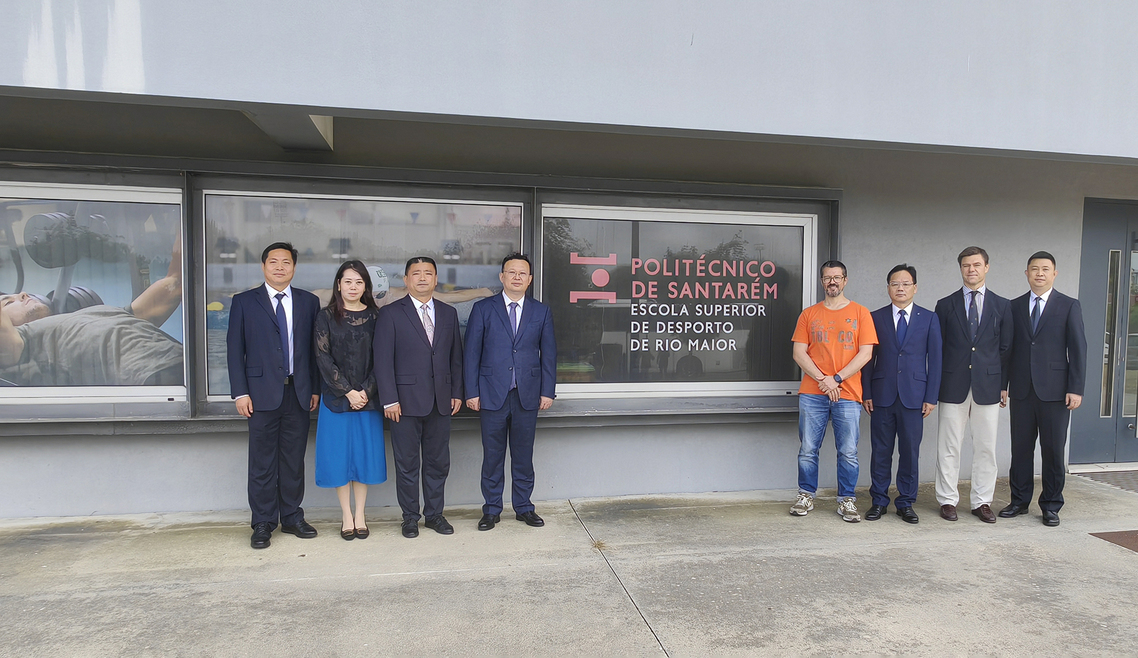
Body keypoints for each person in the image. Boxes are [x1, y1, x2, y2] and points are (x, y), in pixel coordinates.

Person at [226, 242, 321, 549]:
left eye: (286, 262)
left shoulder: (309, 302)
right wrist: (240, 393)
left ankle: (292, 516)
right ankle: (263, 522)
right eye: (274, 262)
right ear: (263, 266)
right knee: (262, 462)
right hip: (259, 395)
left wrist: (315, 388)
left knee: (293, 460)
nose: (280, 267)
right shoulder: (244, 302)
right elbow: (234, 351)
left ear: (294, 267)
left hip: (299, 393)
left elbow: (315, 351)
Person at [0, 234, 184, 386]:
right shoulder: (19, 349)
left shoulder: (93, 315)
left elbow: (175, 283)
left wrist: (187, 226)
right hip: (157, 380)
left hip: (188, 368)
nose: (22, 294)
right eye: (7, 303)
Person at [464, 253, 556, 531]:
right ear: (502, 277)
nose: (517, 277)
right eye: (511, 272)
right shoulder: (483, 309)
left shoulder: (541, 311)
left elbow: (549, 354)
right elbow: (471, 354)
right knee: (492, 456)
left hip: (527, 395)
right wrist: (471, 391)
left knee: (523, 456)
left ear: (529, 280)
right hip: (491, 394)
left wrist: (547, 391)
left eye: (522, 273)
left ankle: (524, 507)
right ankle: (491, 509)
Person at [373, 256, 463, 538]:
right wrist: (389, 399)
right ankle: (410, 517)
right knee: (407, 464)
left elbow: (456, 358)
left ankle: (434, 515)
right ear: (406, 280)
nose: (422, 278)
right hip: (404, 403)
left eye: (428, 273)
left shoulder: (448, 313)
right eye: (416, 273)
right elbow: (382, 361)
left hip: (441, 401)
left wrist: (456, 392)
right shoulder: (390, 313)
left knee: (438, 463)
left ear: (436, 279)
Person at [1001, 251, 1086, 527]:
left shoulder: (1069, 305)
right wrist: (1003, 385)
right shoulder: (1014, 306)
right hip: (1022, 390)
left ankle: (1051, 504)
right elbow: (1007, 349)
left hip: (1056, 392)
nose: (1039, 273)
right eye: (1034, 269)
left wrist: (1075, 388)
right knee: (1021, 449)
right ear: (1026, 273)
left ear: (1054, 274)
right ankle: (1019, 501)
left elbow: (1078, 349)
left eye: (1045, 269)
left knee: (1053, 450)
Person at [790, 260, 877, 522]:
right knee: (808, 449)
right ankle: (805, 495)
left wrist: (837, 379)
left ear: (845, 280)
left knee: (848, 451)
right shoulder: (808, 314)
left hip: (848, 393)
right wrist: (823, 380)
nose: (832, 282)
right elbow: (798, 353)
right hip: (813, 393)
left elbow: (866, 354)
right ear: (822, 282)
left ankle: (847, 500)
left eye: (837, 277)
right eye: (828, 278)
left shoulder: (861, 313)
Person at [933, 246, 1012, 523]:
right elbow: (938, 348)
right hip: (952, 383)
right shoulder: (945, 305)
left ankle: (982, 501)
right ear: (961, 268)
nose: (971, 270)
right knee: (948, 445)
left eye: (977, 265)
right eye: (966, 265)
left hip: (988, 385)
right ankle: (947, 500)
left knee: (986, 447)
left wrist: (1003, 384)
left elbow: (1006, 349)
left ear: (986, 267)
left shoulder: (1003, 305)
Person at [861, 264, 942, 524]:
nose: (900, 288)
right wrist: (866, 392)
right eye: (895, 284)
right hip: (881, 395)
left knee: (910, 452)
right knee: (880, 451)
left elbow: (936, 360)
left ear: (915, 288)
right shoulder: (875, 317)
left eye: (906, 284)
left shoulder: (929, 318)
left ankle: (906, 502)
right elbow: (867, 359)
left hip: (914, 396)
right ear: (888, 288)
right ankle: (879, 501)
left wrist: (931, 396)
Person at [313, 260, 386, 540]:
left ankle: (361, 515)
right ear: (339, 285)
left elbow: (383, 359)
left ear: (366, 286)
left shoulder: (378, 317)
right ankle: (346, 515)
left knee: (364, 459)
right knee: (339, 458)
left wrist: (365, 391)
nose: (353, 287)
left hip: (369, 399)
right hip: (336, 399)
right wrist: (347, 391)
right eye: (348, 281)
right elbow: (322, 357)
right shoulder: (325, 316)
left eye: (359, 282)